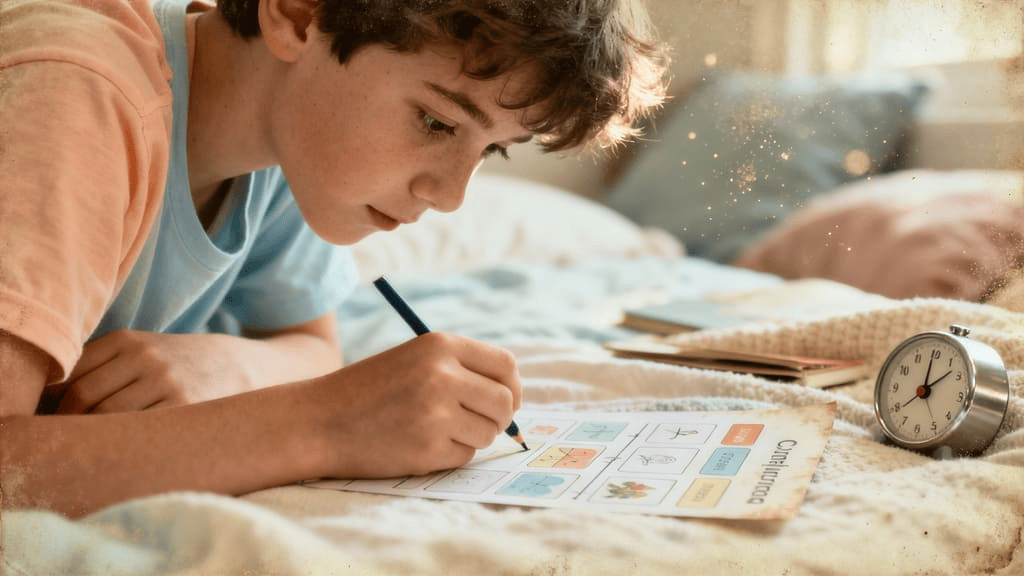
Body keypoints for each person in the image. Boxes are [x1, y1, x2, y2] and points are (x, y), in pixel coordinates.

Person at [0, 0, 667, 517]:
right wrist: (324, 424)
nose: (450, 196)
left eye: (491, 150)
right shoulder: (79, 98)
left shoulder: (287, 142)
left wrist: (225, 365)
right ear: (297, 13)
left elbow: (312, 346)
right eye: (436, 123)